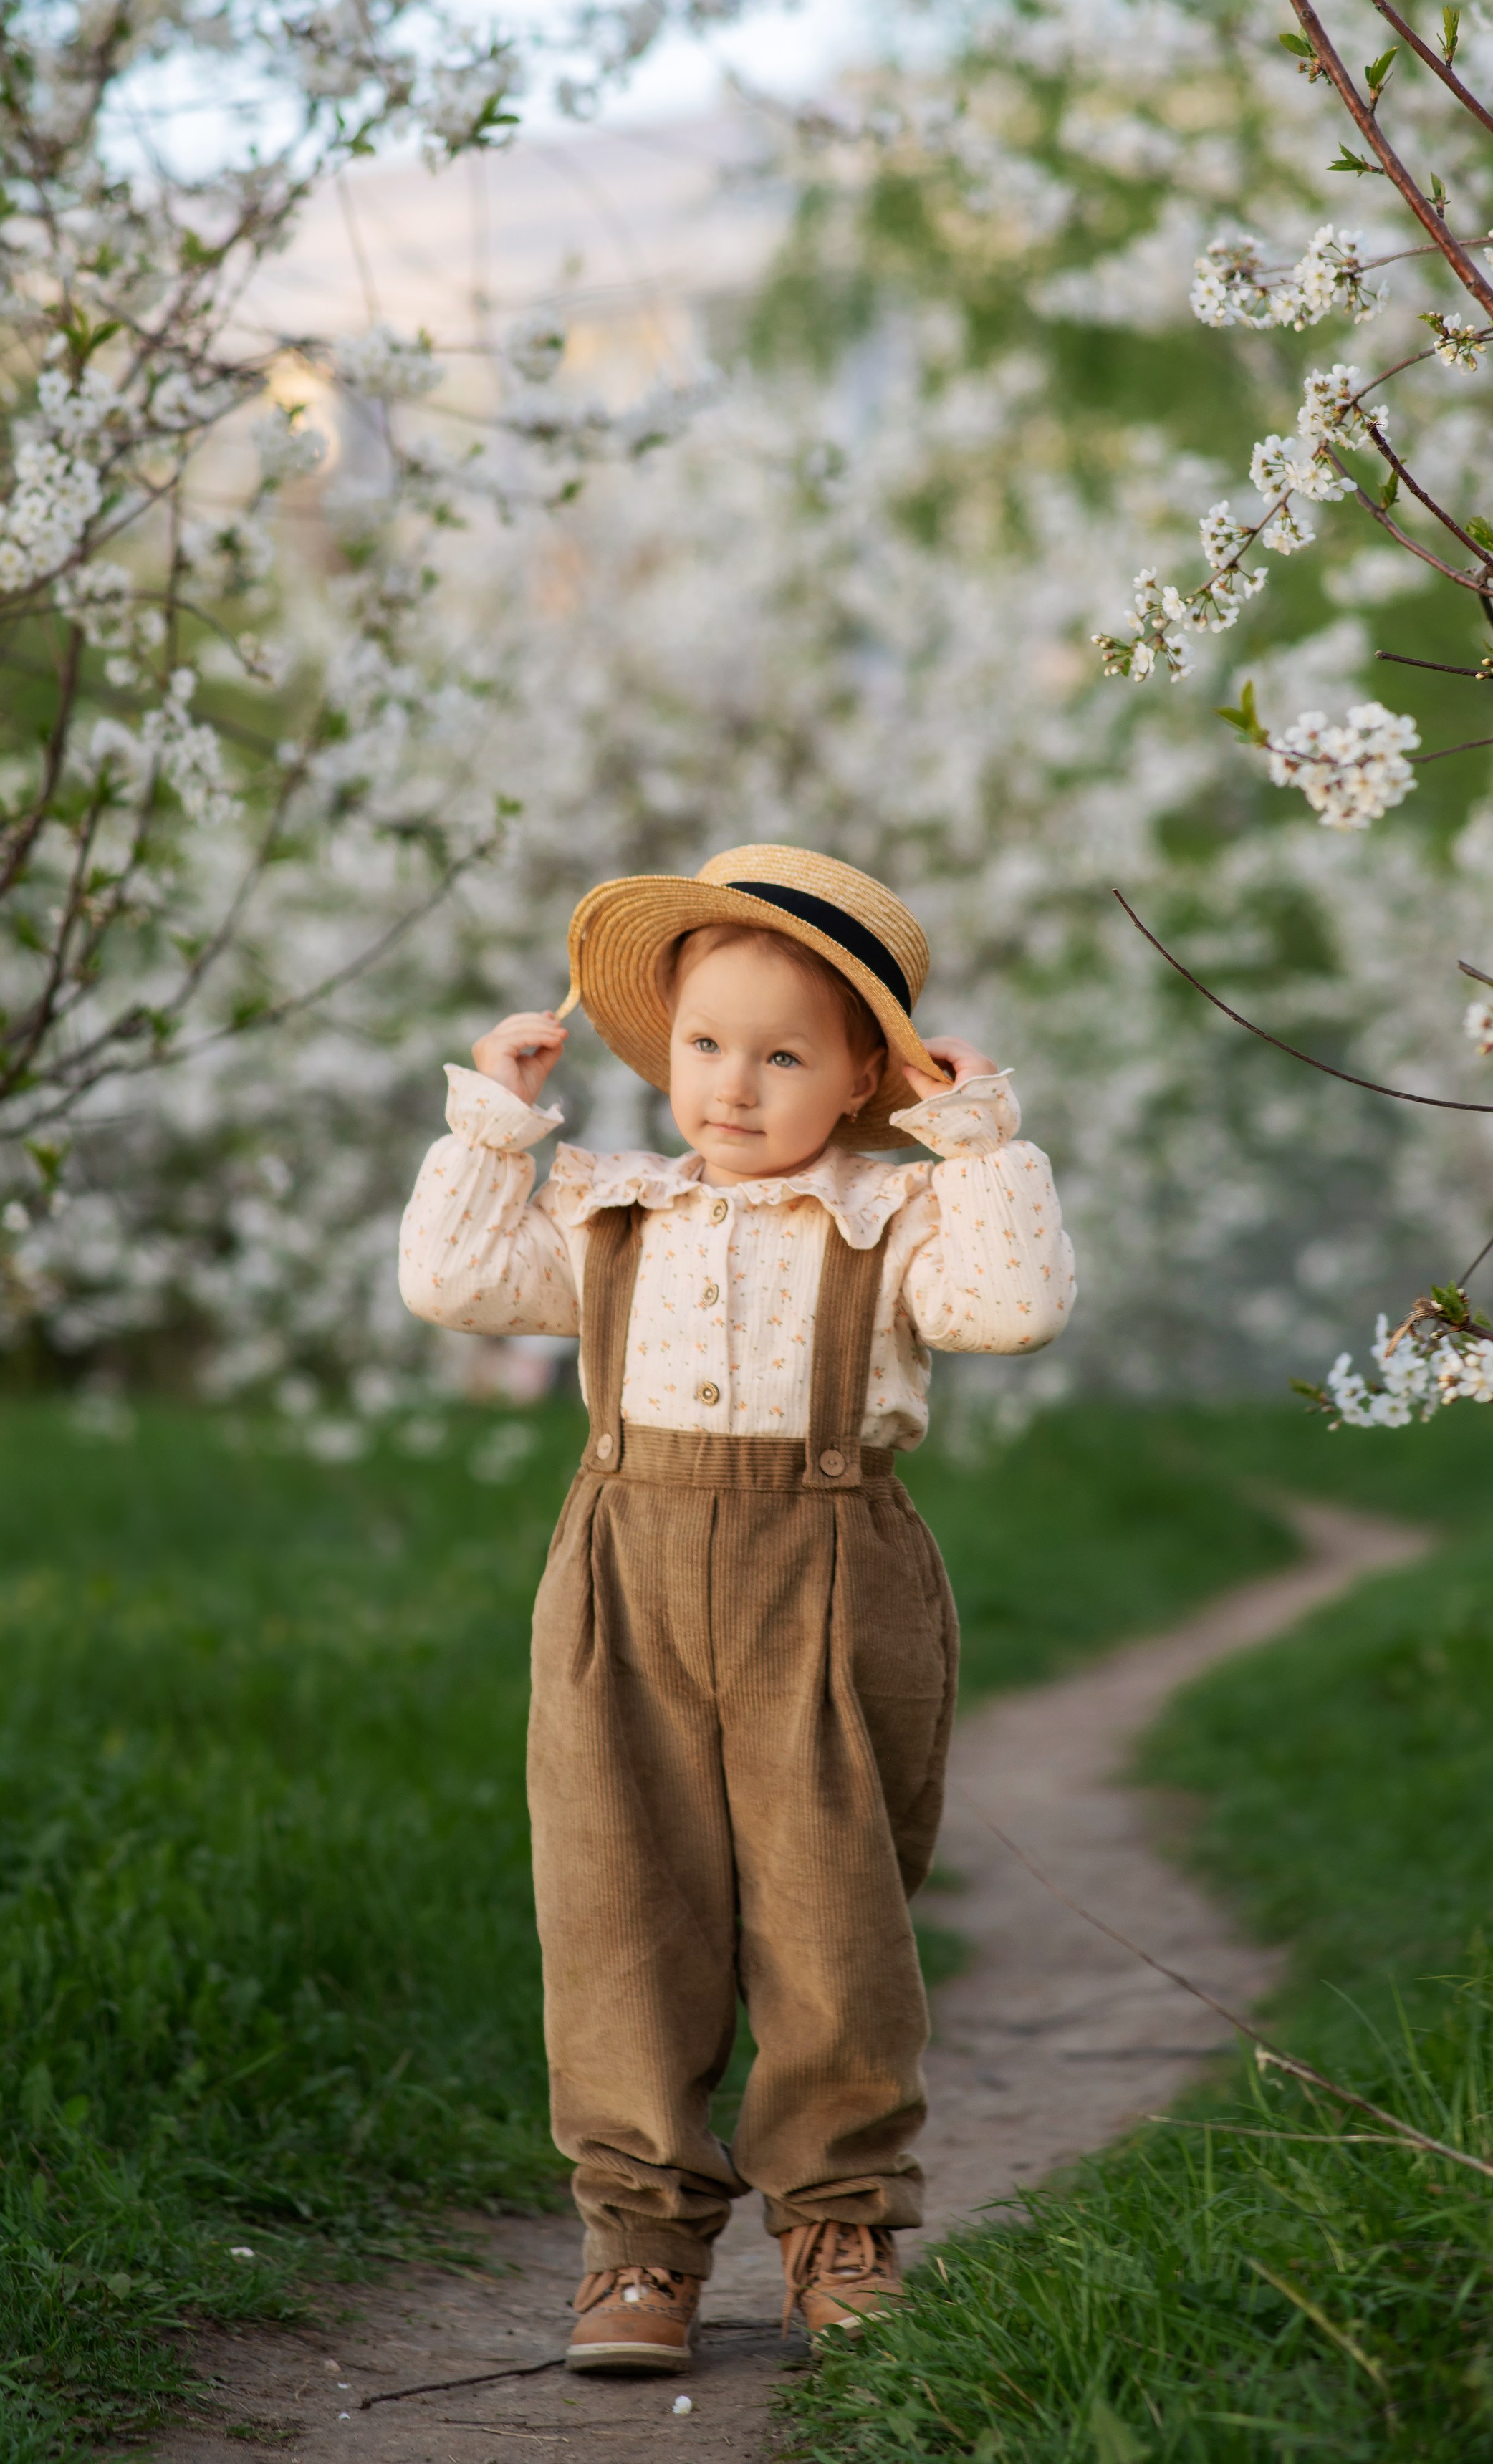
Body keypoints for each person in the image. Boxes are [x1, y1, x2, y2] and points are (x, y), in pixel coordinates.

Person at [399, 846, 1074, 2374]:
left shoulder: (890, 1217)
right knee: (617, 1900)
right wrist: (496, 1122)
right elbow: (447, 1282)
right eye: (705, 1044)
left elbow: (1015, 1308)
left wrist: (977, 1141)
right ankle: (638, 2240)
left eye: (783, 1055)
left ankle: (839, 2221)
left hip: (828, 1580)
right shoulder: (606, 1208)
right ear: (662, 1053)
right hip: (621, 1584)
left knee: (832, 1911)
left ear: (858, 1079)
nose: (734, 1083)